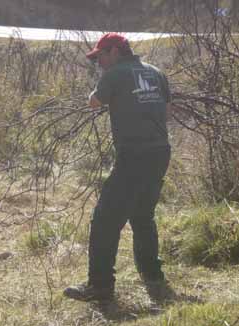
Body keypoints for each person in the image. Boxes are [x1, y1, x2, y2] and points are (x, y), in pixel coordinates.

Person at [64, 33, 172, 301]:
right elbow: (167, 107)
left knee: (104, 221)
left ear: (115, 51)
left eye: (100, 56)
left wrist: (102, 93)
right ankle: (153, 277)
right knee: (142, 215)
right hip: (160, 152)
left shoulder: (114, 74)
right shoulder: (156, 73)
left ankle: (99, 287)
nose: (98, 62)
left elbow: (95, 102)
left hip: (133, 155)